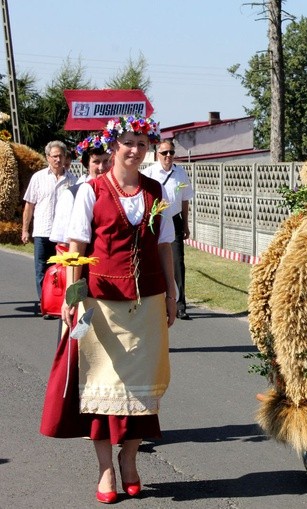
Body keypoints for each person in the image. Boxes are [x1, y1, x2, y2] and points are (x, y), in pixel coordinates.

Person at [40, 115, 176, 504]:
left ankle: (130, 461)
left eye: (142, 143)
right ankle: (105, 471)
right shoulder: (91, 191)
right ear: (114, 146)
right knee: (100, 388)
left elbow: (164, 247)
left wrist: (170, 295)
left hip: (146, 303)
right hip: (99, 304)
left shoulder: (155, 190)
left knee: (139, 392)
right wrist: (71, 298)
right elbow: (76, 250)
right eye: (128, 142)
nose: (135, 149)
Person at [21, 140, 77, 317]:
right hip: (42, 231)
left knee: (61, 271)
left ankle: (58, 304)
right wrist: (25, 230)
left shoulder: (72, 180)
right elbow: (29, 205)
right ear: (47, 157)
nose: (58, 160)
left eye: (61, 156)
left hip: (62, 235)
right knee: (41, 270)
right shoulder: (38, 178)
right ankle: (45, 303)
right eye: (54, 156)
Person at [141, 139, 194, 320]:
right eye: (164, 153)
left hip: (174, 219)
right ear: (157, 155)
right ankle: (153, 301)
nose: (168, 156)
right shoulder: (148, 173)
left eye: (171, 152)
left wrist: (186, 224)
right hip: (155, 220)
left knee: (177, 263)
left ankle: (180, 305)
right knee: (152, 260)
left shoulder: (181, 173)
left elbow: (185, 199)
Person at [49, 134, 112, 245]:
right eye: (96, 162)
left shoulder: (118, 193)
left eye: (106, 161)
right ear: (86, 165)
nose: (102, 167)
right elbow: (63, 243)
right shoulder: (71, 195)